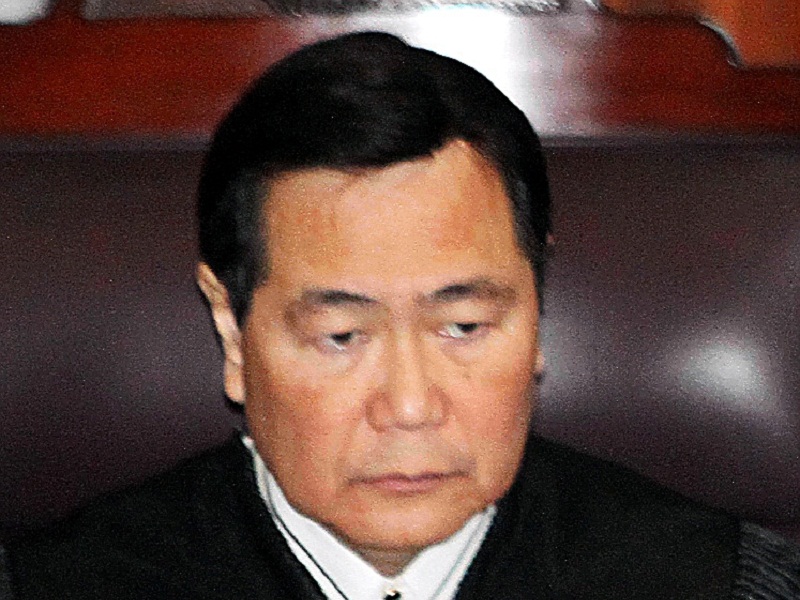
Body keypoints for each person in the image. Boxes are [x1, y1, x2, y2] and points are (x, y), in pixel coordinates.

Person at [3, 31, 799, 600]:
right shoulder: (61, 584)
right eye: (342, 336)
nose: (411, 407)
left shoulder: (722, 582)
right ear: (233, 334)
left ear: (538, 306)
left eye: (464, 326)